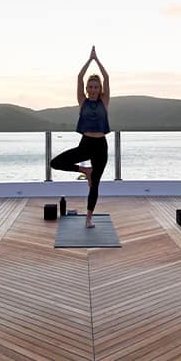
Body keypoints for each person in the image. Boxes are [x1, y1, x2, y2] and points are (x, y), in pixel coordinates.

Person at [50, 46, 110, 228]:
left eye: (96, 87)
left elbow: (106, 78)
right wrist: (89, 60)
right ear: (86, 88)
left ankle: (89, 218)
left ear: (100, 89)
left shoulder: (104, 102)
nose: (93, 89)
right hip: (86, 144)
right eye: (90, 87)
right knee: (55, 163)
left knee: (95, 185)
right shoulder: (82, 101)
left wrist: (97, 60)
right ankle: (85, 171)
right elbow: (78, 77)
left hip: (100, 146)